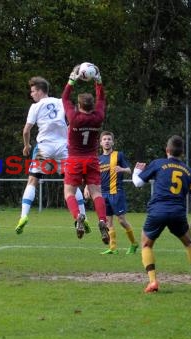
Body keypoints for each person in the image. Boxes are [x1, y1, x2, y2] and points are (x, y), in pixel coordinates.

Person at [132, 135, 191, 293]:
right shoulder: (189, 171)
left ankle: (153, 282)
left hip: (157, 211)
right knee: (189, 243)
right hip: (178, 213)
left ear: (167, 150)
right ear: (182, 153)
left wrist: (136, 171)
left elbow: (137, 183)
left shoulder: (158, 163)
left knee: (146, 244)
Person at [14, 76, 90, 235]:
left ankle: (23, 216)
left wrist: (27, 145)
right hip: (63, 147)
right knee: (72, 182)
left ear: (41, 91)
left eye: (33, 91)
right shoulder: (61, 102)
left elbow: (26, 131)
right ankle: (84, 217)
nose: (31, 94)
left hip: (44, 147)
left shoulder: (35, 107)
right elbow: (72, 122)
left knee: (33, 181)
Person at [61, 64, 110, 244]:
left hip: (74, 159)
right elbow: (102, 100)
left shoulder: (73, 117)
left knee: (69, 193)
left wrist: (72, 79)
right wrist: (99, 82)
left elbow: (65, 98)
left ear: (79, 105)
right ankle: (103, 221)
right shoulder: (98, 117)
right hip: (92, 159)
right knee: (97, 192)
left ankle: (78, 217)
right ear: (91, 106)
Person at [86, 131, 138, 255]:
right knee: (108, 222)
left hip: (116, 192)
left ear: (113, 142)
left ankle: (134, 243)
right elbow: (93, 176)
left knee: (121, 220)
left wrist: (122, 169)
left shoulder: (118, 155)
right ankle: (113, 248)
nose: (107, 141)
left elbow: (130, 170)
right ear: (100, 143)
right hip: (103, 194)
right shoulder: (98, 159)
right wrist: (87, 188)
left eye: (109, 139)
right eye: (104, 139)